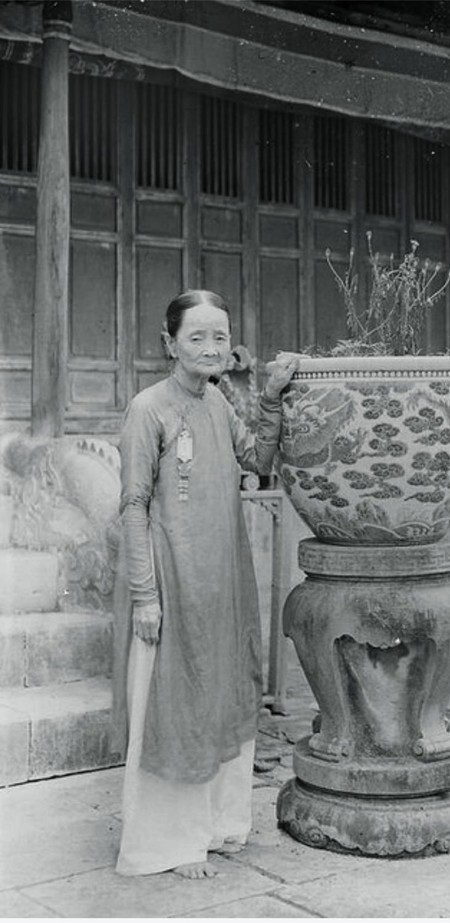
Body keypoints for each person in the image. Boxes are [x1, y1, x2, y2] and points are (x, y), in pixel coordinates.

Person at [111, 289, 298, 878]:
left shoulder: (219, 402)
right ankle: (169, 843)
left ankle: (217, 827)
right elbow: (134, 504)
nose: (212, 347)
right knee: (176, 704)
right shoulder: (149, 408)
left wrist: (268, 396)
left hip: (222, 579)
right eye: (197, 337)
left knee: (220, 696)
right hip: (171, 580)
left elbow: (259, 457)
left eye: (220, 336)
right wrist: (145, 594)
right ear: (169, 343)